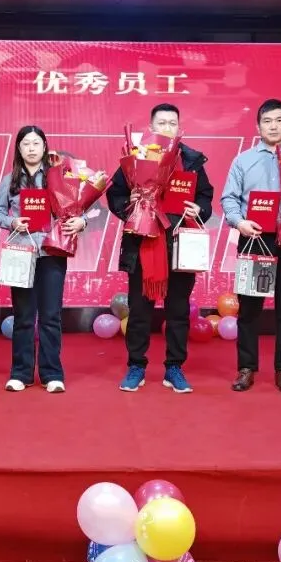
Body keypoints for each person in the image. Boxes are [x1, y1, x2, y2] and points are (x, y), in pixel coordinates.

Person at [106, 103, 214, 393]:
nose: (167, 128)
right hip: (143, 243)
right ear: (151, 128)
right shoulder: (136, 157)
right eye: (162, 123)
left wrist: (199, 209)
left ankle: (174, 367)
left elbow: (205, 196)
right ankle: (136, 366)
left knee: (178, 310)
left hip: (180, 243)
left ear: (179, 128)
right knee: (139, 310)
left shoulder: (191, 160)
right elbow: (115, 194)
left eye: (172, 123)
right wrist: (129, 205)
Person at [220, 98, 281, 394]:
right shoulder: (243, 161)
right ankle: (246, 368)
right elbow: (228, 198)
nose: (273, 126)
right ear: (258, 126)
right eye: (267, 121)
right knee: (249, 309)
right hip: (255, 238)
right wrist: (239, 222)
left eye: (279, 120)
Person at [0, 126, 86, 393]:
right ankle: (20, 373)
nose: (31, 148)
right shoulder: (10, 180)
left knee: (50, 316)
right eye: (26, 144)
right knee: (23, 316)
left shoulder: (58, 176)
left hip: (52, 251)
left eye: (36, 143)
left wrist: (82, 222)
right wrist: (12, 222)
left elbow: (78, 209)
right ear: (19, 149)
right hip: (21, 253)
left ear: (45, 147)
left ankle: (52, 373)